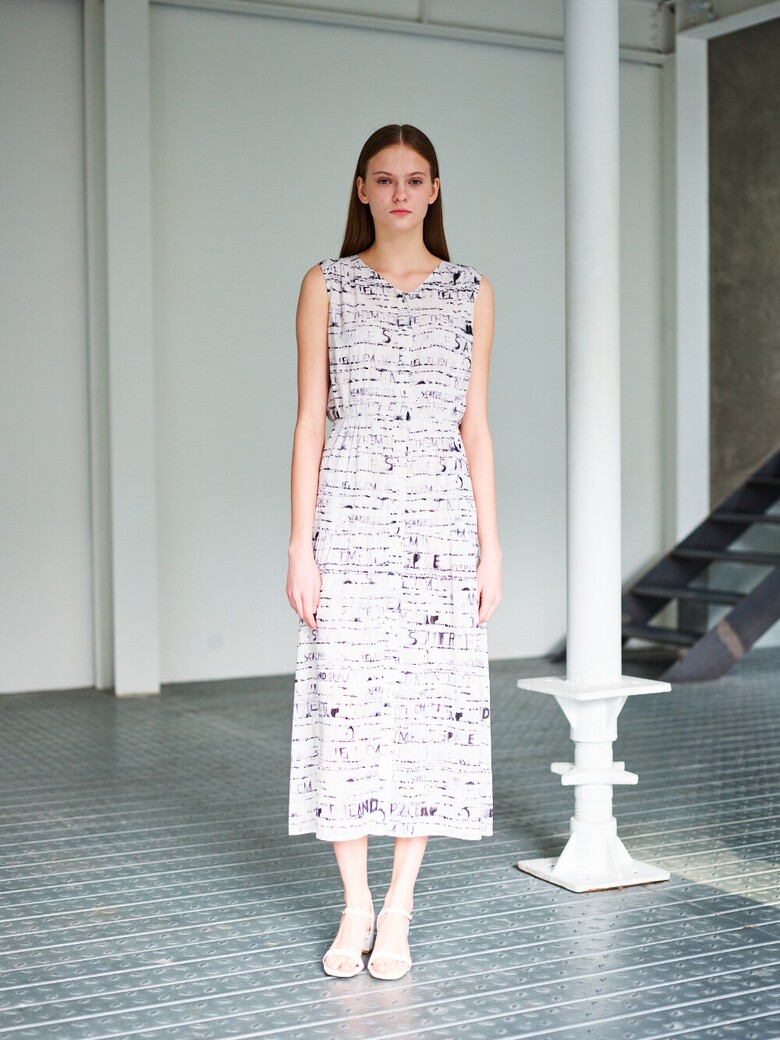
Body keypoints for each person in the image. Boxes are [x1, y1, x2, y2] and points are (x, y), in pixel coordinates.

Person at [286, 123, 502, 981]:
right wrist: (300, 545)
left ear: (435, 189)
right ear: (362, 190)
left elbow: (475, 428)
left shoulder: (472, 292)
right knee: (346, 707)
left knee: (426, 712)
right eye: (385, 179)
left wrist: (491, 547)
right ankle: (355, 906)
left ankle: (400, 908)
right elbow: (310, 421)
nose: (400, 193)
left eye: (415, 179)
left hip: (442, 527)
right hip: (349, 524)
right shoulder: (326, 284)